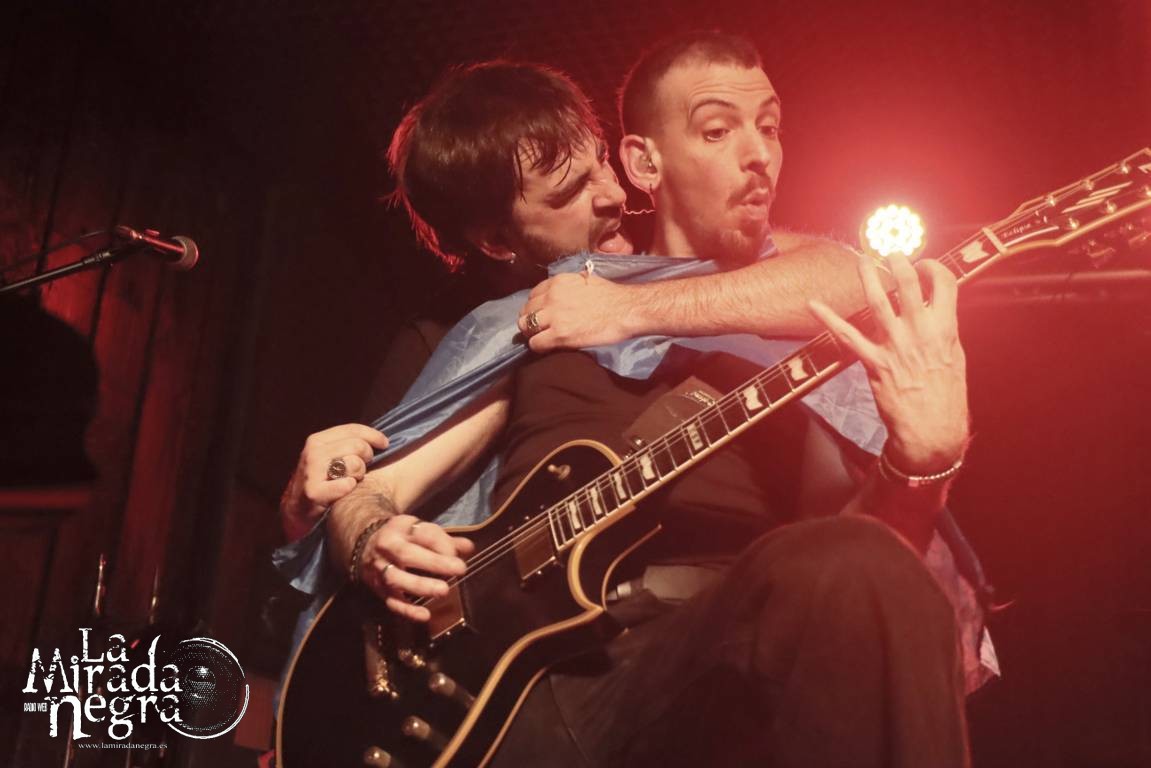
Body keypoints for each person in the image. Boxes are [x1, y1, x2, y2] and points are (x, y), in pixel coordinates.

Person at [279, 36, 980, 767]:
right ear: (649, 159)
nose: (759, 155)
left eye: (770, 127)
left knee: (858, 563)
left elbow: (864, 552)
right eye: (718, 130)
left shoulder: (797, 327)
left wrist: (921, 467)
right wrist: (371, 534)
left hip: (723, 647)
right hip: (532, 679)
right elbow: (369, 492)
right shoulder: (530, 322)